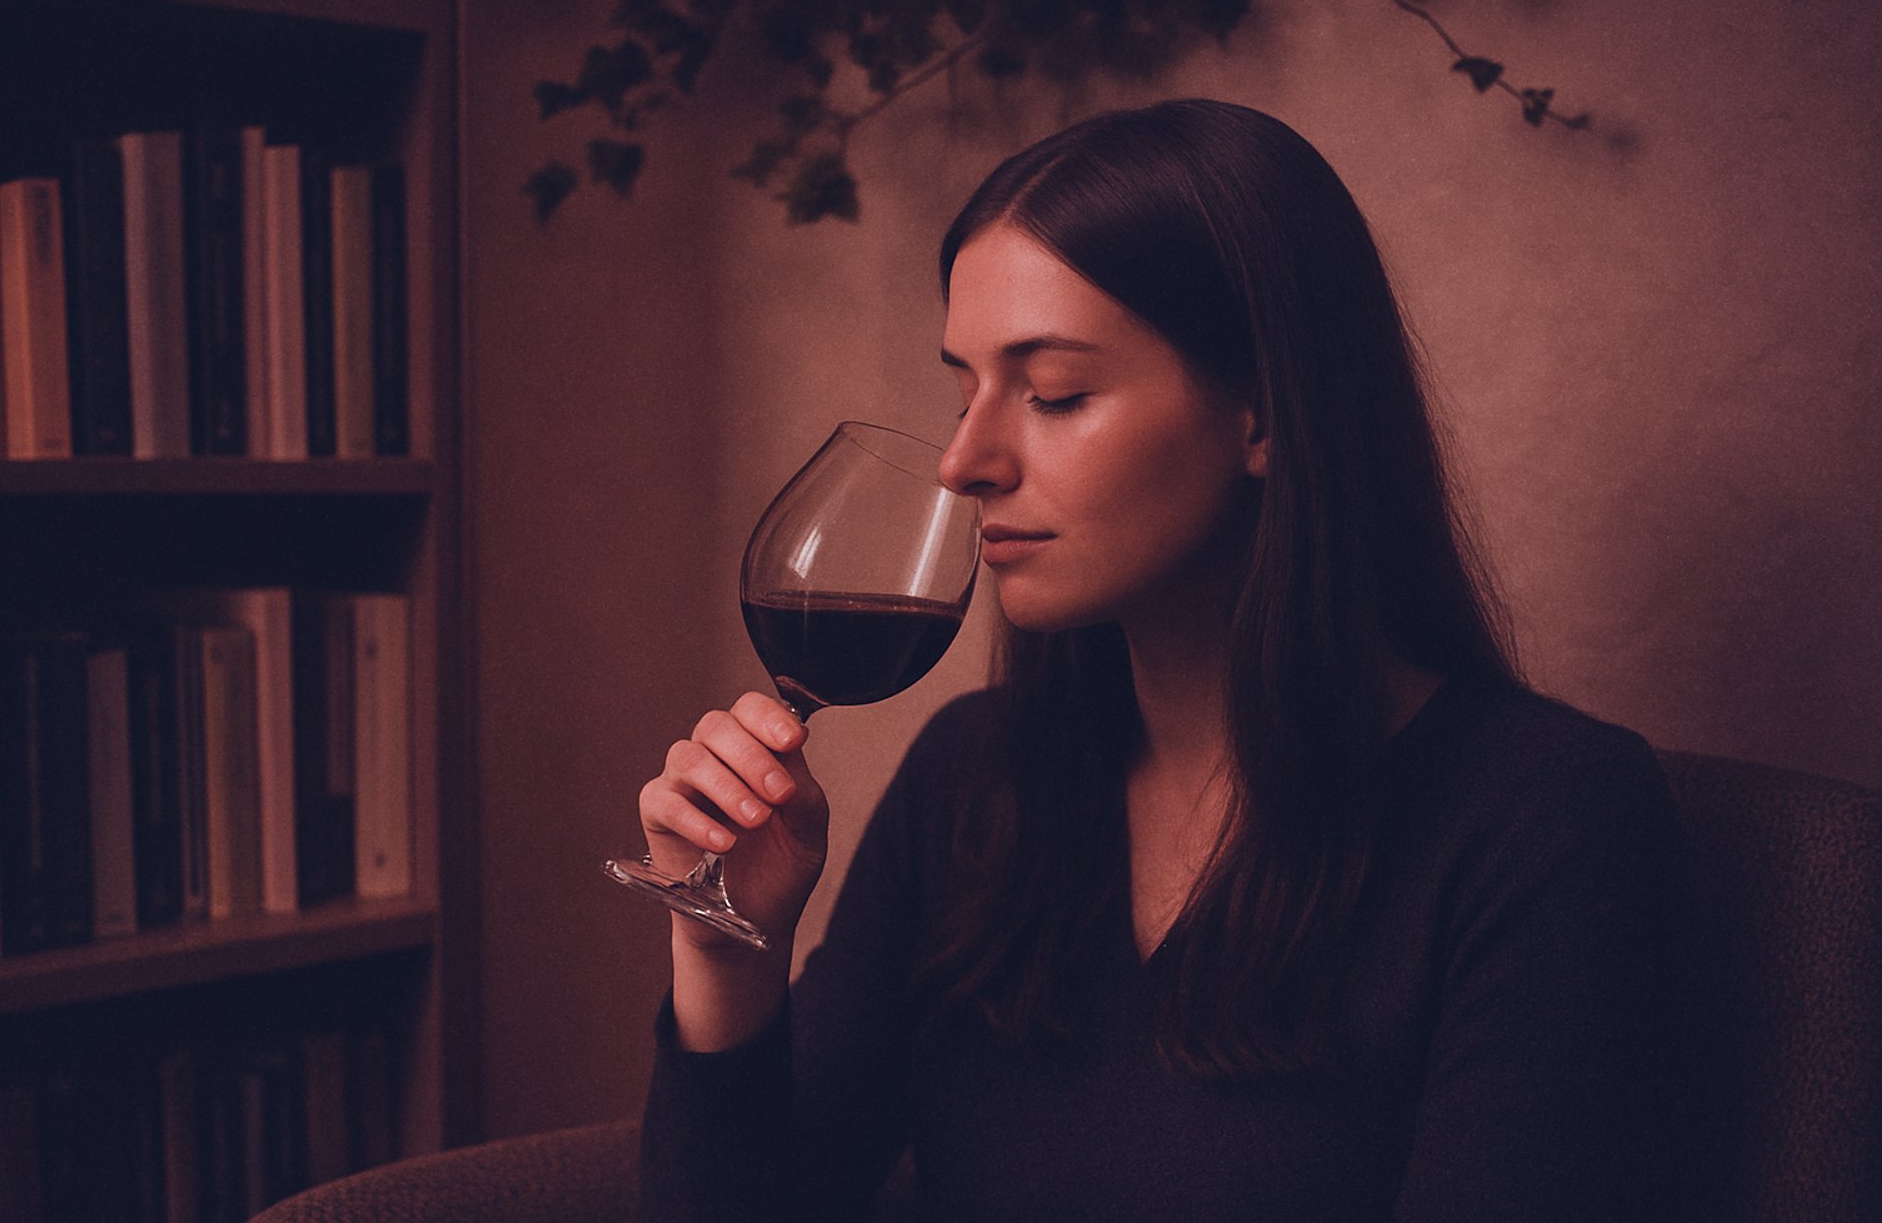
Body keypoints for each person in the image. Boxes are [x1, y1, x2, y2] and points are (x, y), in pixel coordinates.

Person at [632, 99, 1686, 1221]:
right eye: (962, 389)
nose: (962, 460)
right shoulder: (970, 778)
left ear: (1266, 411)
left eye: (1053, 394)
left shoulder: (1546, 816)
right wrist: (727, 955)